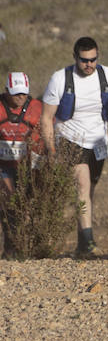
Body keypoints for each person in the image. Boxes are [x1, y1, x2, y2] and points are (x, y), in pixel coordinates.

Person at [38, 38, 108, 255]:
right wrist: (51, 151)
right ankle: (88, 243)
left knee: (89, 191)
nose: (89, 64)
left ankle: (81, 241)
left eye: (93, 60)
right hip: (70, 139)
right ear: (75, 57)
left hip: (98, 142)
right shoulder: (60, 79)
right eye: (84, 60)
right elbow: (46, 118)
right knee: (83, 187)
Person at [0, 72, 44, 255]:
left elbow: (46, 133)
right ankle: (11, 248)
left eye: (23, 93)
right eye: (16, 93)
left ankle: (31, 248)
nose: (20, 97)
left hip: (29, 164)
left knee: (27, 205)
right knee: (9, 201)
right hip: (3, 165)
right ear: (6, 91)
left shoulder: (36, 108)